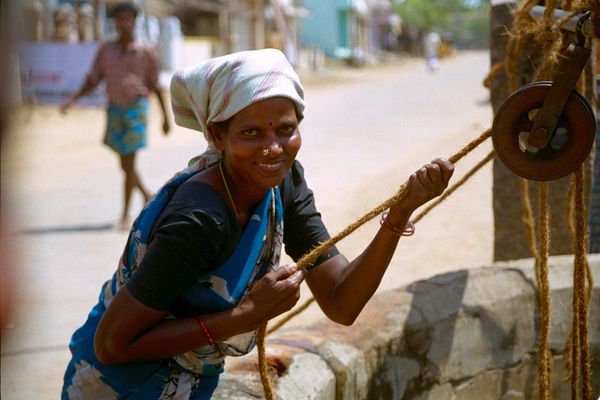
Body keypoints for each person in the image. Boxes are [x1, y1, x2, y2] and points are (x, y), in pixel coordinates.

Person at [61, 48, 454, 399]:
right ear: (218, 135)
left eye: (285, 130)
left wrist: (400, 214)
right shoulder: (199, 219)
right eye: (251, 133)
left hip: (190, 385)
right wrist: (247, 315)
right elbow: (112, 345)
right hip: (117, 387)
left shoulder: (284, 185)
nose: (272, 148)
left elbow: (342, 303)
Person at [61, 1, 170, 229]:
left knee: (129, 160)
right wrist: (72, 99)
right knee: (124, 163)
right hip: (114, 110)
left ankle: (125, 214)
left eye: (127, 19)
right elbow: (93, 79)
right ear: (115, 22)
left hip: (136, 111)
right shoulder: (106, 50)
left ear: (134, 21)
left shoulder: (146, 51)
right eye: (119, 19)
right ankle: (146, 194)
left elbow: (156, 85)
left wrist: (166, 118)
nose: (123, 23)